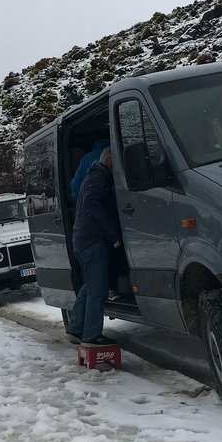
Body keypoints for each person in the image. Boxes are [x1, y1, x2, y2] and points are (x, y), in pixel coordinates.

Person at [69, 146, 120, 344]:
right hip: (92, 241)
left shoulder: (91, 177)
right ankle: (91, 335)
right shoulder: (98, 179)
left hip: (83, 240)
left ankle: (75, 328)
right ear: (108, 161)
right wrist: (113, 232)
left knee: (89, 287)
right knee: (98, 290)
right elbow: (92, 204)